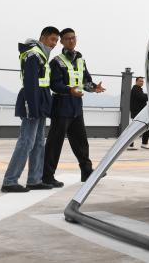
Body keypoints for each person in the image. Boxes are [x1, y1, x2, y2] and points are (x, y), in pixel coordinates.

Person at [42, 28, 105, 186]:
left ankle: (87, 171)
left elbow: (85, 81)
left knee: (81, 141)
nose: (71, 41)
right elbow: (54, 84)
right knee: (55, 144)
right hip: (61, 106)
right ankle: (47, 176)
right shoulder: (57, 61)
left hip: (76, 107)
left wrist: (94, 88)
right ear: (62, 42)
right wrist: (69, 90)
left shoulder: (80, 60)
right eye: (67, 39)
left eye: (73, 38)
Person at [2, 26, 59, 192]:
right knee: (26, 141)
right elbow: (30, 82)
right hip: (33, 102)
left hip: (41, 102)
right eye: (52, 39)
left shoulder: (41, 54)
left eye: (56, 40)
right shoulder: (33, 54)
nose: (54, 43)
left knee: (39, 142)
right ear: (43, 38)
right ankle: (10, 181)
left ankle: (34, 180)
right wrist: (32, 107)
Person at [129, 76, 149, 150]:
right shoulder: (135, 89)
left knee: (146, 127)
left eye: (142, 81)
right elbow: (142, 97)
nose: (142, 82)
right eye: (140, 81)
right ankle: (131, 145)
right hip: (137, 113)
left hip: (139, 113)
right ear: (136, 81)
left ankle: (144, 144)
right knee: (136, 129)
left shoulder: (138, 89)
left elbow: (142, 97)